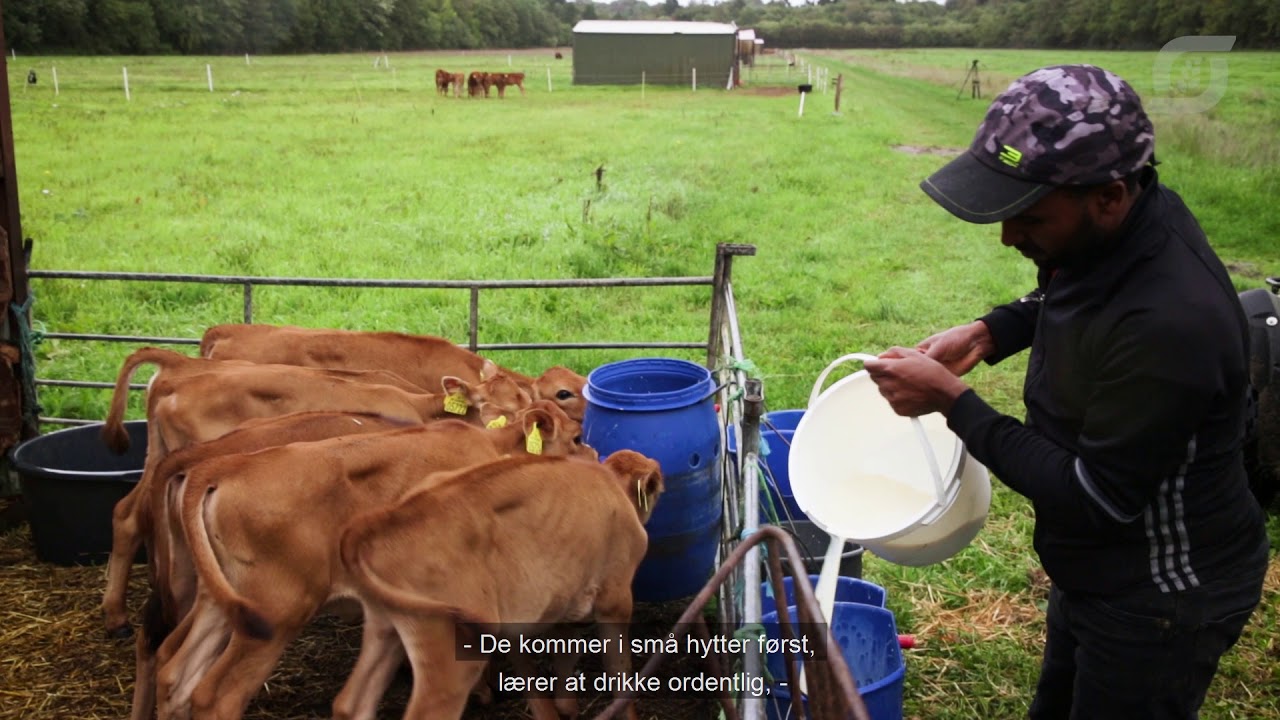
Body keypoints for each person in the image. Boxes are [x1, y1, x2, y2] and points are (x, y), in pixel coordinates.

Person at [862, 64, 1270, 719]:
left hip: (1157, 593)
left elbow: (1096, 497)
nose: (1007, 234)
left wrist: (954, 405)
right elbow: (1072, 284)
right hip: (1096, 569)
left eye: (1027, 216)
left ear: (1108, 196)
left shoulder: (1171, 324)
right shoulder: (1123, 220)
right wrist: (992, 331)